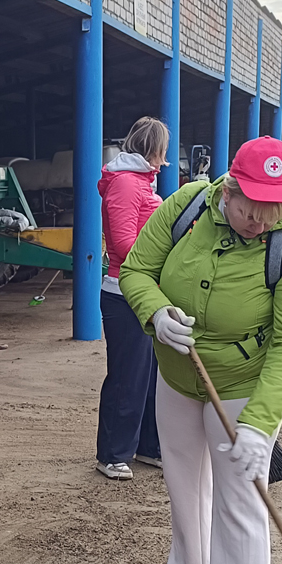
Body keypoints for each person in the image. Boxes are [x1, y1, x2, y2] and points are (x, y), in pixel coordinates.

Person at [119, 136, 282, 564]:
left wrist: (259, 421)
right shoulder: (187, 204)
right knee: (182, 479)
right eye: (248, 210)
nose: (258, 223)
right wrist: (156, 311)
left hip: (242, 386)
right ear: (227, 190)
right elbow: (136, 269)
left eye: (270, 213)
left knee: (240, 497)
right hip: (178, 374)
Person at [96, 116, 167, 480]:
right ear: (153, 149)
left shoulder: (140, 181)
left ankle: (148, 446)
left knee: (151, 376)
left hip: (145, 290)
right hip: (124, 291)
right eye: (162, 152)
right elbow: (124, 242)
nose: (163, 161)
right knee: (128, 377)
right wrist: (164, 258)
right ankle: (112, 453)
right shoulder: (126, 183)